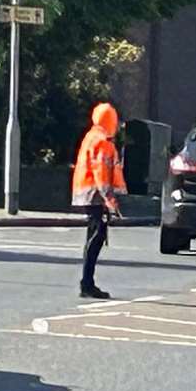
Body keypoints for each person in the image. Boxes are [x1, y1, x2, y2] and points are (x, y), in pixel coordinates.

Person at [71, 101, 127, 299]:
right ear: (111, 120)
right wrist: (110, 198)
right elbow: (101, 172)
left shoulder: (91, 137)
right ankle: (87, 283)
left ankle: (87, 282)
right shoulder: (103, 141)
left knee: (93, 237)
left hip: (87, 193)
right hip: (96, 195)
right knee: (97, 237)